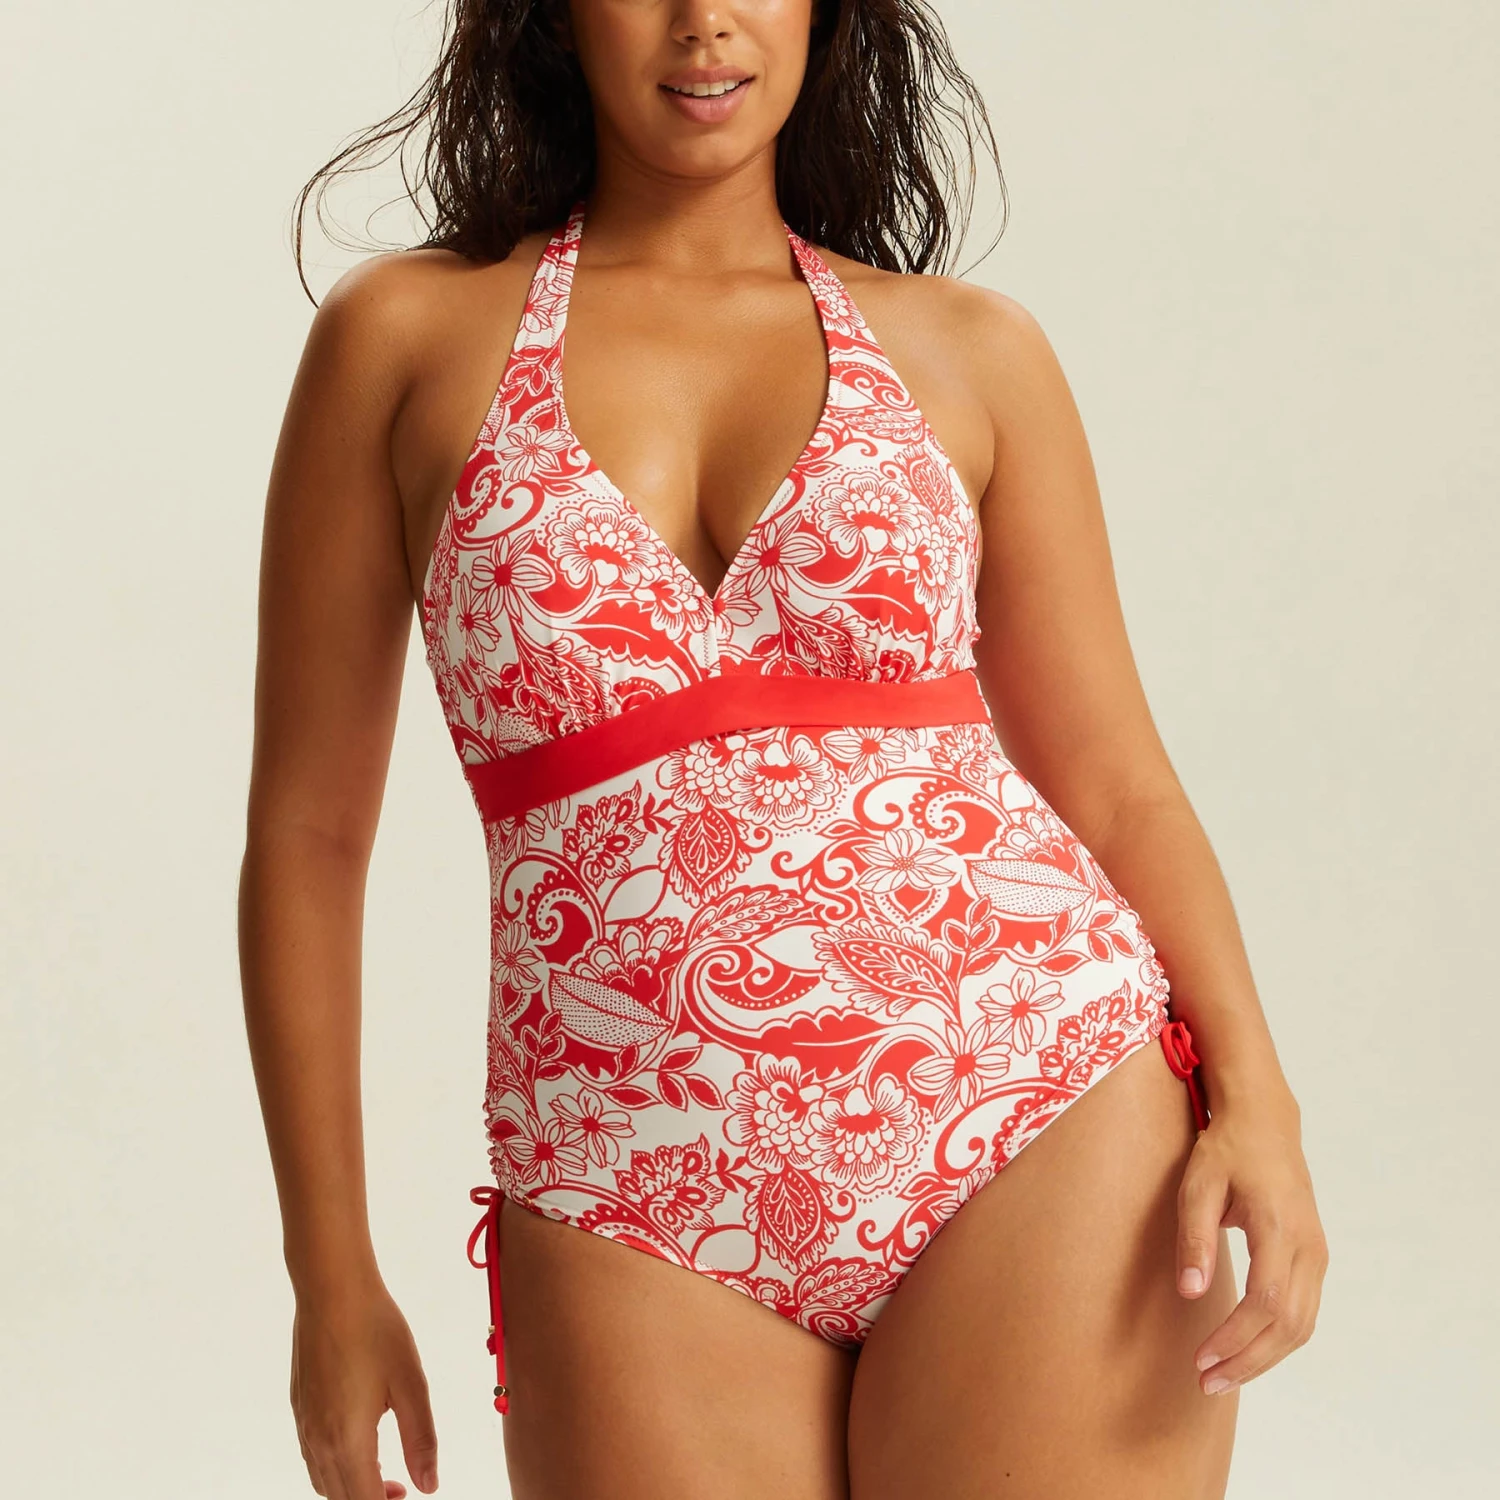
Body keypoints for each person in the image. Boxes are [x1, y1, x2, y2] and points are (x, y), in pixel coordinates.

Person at [239, 3, 1329, 1497]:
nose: (707, 21)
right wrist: (329, 1272)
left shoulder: (971, 350)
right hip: (624, 1172)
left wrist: (1260, 1097)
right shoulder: (408, 341)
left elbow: (1119, 782)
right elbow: (306, 839)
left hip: (1038, 1107)